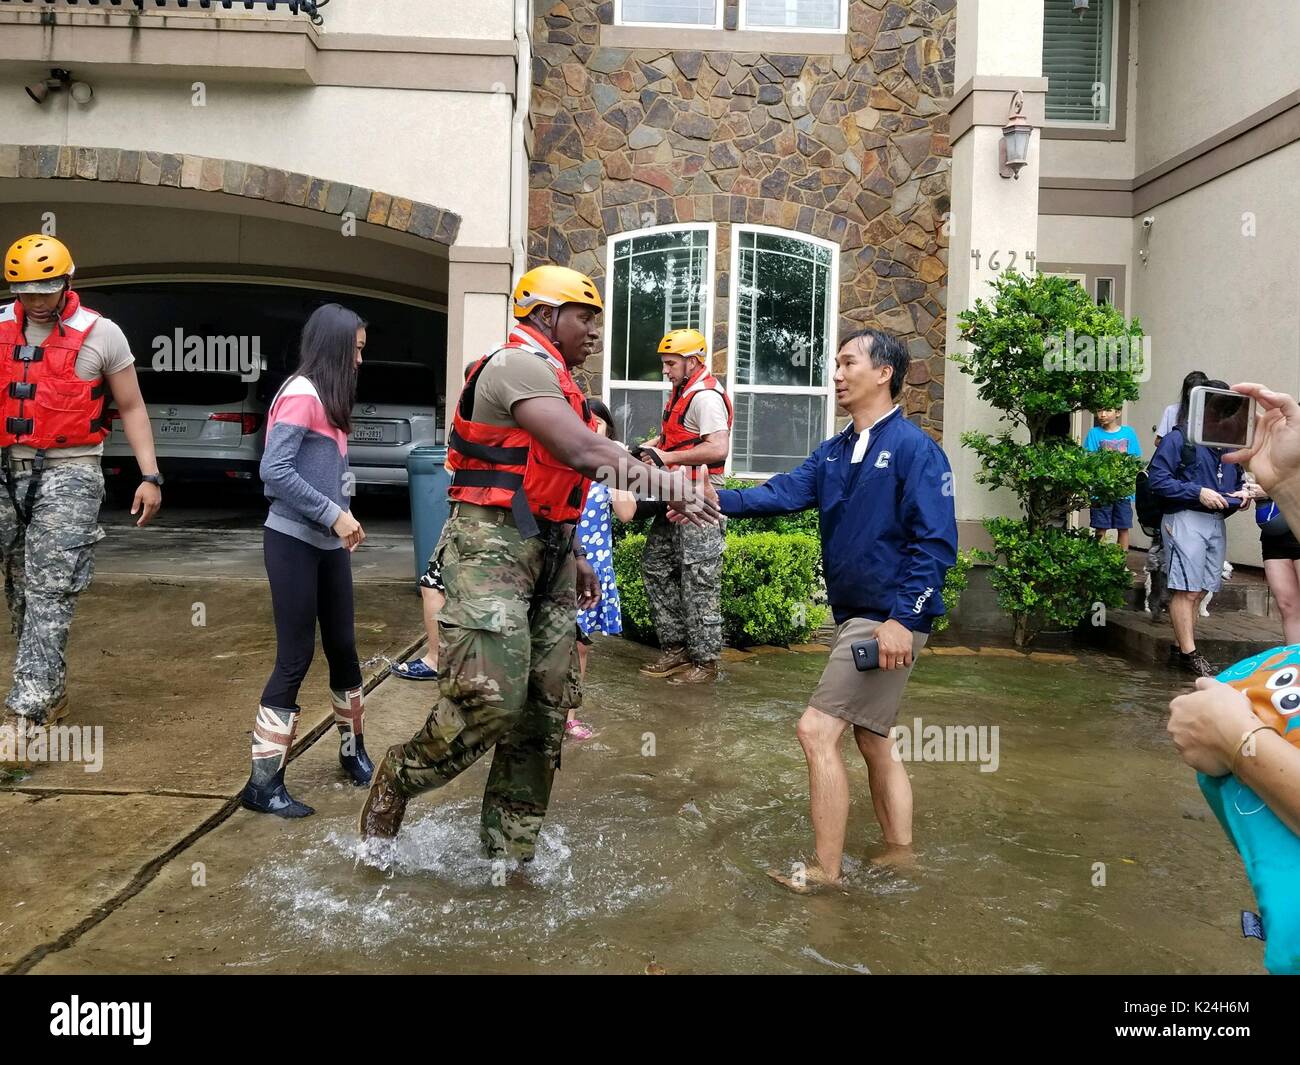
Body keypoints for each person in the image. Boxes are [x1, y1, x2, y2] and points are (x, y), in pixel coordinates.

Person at [359, 265, 719, 858]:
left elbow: (555, 483)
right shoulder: (516, 366)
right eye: (585, 317)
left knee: (545, 710)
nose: (594, 333)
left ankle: (510, 855)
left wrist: (576, 552)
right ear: (546, 315)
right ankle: (401, 775)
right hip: (490, 548)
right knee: (491, 700)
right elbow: (581, 450)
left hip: (549, 552)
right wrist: (672, 485)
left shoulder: (558, 381)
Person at [697, 328, 956, 891]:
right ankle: (899, 853)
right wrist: (706, 497)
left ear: (884, 373)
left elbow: (935, 543)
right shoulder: (836, 451)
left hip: (886, 619)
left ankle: (825, 873)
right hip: (860, 619)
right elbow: (779, 493)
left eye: (847, 363)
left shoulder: (915, 449)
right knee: (873, 737)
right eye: (835, 364)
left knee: (816, 731)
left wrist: (902, 621)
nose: (836, 374)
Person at [0, 234, 161, 772]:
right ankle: (49, 689)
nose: (39, 300)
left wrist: (150, 476)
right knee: (20, 585)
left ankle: (23, 717)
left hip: (70, 473)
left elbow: (132, 407)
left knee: (49, 587)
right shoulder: (0, 327)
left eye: (48, 288)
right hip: (5, 468)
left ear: (68, 281)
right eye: (28, 291)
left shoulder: (101, 334)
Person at [239, 303, 372, 818]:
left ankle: (352, 750)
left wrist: (343, 514)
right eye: (356, 350)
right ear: (336, 347)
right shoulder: (300, 394)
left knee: (344, 648)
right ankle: (262, 785)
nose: (360, 360)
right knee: (294, 658)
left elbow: (323, 473)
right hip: (292, 541)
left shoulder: (330, 400)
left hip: (327, 545)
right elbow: (273, 471)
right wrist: (332, 513)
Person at [637, 328, 733, 685]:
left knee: (699, 576)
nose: (665, 370)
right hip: (674, 492)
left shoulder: (705, 397)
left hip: (700, 497)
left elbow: (718, 448)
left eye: (670, 363)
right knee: (656, 564)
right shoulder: (681, 392)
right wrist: (641, 451)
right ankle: (676, 648)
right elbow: (671, 437)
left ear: (693, 362)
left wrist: (666, 456)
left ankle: (705, 664)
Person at [1147, 378, 1250, 677]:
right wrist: (1197, 492)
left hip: (1216, 520)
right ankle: (1190, 655)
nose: (1223, 413)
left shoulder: (1229, 443)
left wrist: (1242, 494)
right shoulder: (1179, 438)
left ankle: (1182, 649)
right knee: (1187, 589)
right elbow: (1158, 479)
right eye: (1217, 406)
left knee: (1202, 587)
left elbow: (1235, 479)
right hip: (1185, 517)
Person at [568, 398, 637, 741]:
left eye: (599, 422)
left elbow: (626, 514)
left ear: (609, 428)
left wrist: (618, 466)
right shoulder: (565, 458)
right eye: (586, 421)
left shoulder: (609, 468)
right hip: (559, 560)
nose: (592, 427)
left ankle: (569, 715)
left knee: (580, 643)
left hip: (593, 567)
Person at [1084, 408, 1141, 551]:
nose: (1102, 415)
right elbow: (1089, 459)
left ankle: (1121, 566)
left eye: (1108, 410)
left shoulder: (1128, 433)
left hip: (1123, 491)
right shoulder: (1094, 433)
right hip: (1101, 491)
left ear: (1118, 412)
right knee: (1101, 528)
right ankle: (1099, 566)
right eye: (1099, 411)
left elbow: (1135, 459)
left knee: (1123, 527)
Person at [1154, 370, 1208, 447]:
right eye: (1192, 390)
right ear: (1187, 392)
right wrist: (1177, 442)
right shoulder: (1172, 410)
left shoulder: (1210, 413)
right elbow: (1157, 441)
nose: (1196, 394)